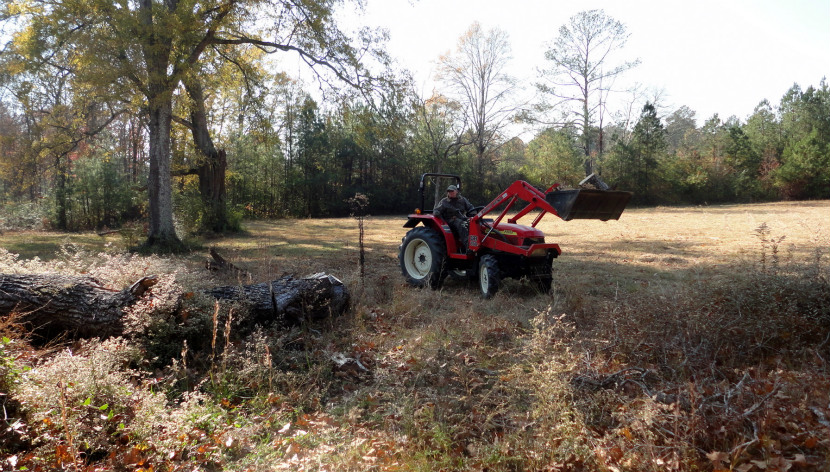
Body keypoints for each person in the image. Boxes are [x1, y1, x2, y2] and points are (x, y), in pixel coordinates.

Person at [433, 184, 474, 251]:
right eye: (449, 191)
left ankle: (476, 242)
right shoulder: (444, 201)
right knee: (461, 224)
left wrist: (473, 213)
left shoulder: (462, 200)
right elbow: (436, 210)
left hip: (461, 217)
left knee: (473, 223)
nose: (450, 193)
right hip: (449, 220)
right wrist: (438, 214)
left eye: (452, 191)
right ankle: (468, 246)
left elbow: (470, 208)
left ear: (456, 191)